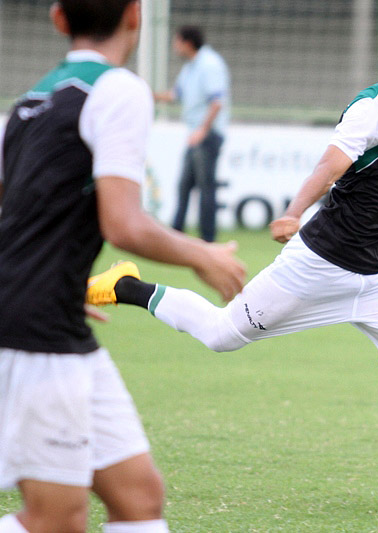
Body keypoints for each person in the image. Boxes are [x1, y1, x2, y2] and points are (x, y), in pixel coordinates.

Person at [88, 26, 378, 513]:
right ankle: (124, 285)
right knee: (219, 334)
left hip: (375, 279)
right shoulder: (369, 112)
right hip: (316, 268)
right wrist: (294, 211)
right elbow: (330, 166)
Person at [0, 1, 246, 532]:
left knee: (139, 499)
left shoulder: (29, 102)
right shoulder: (119, 89)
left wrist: (52, 284)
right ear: (136, 16)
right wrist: (201, 253)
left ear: (58, 18)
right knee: (55, 520)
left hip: (51, 319)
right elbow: (124, 225)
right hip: (36, 331)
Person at [154, 25, 230, 243]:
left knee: (206, 188)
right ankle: (175, 234)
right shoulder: (190, 68)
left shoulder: (209, 64)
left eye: (176, 42)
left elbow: (217, 102)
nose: (174, 47)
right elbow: (175, 94)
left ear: (187, 43)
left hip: (207, 134)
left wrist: (203, 130)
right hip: (196, 134)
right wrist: (149, 95)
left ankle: (208, 239)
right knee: (184, 185)